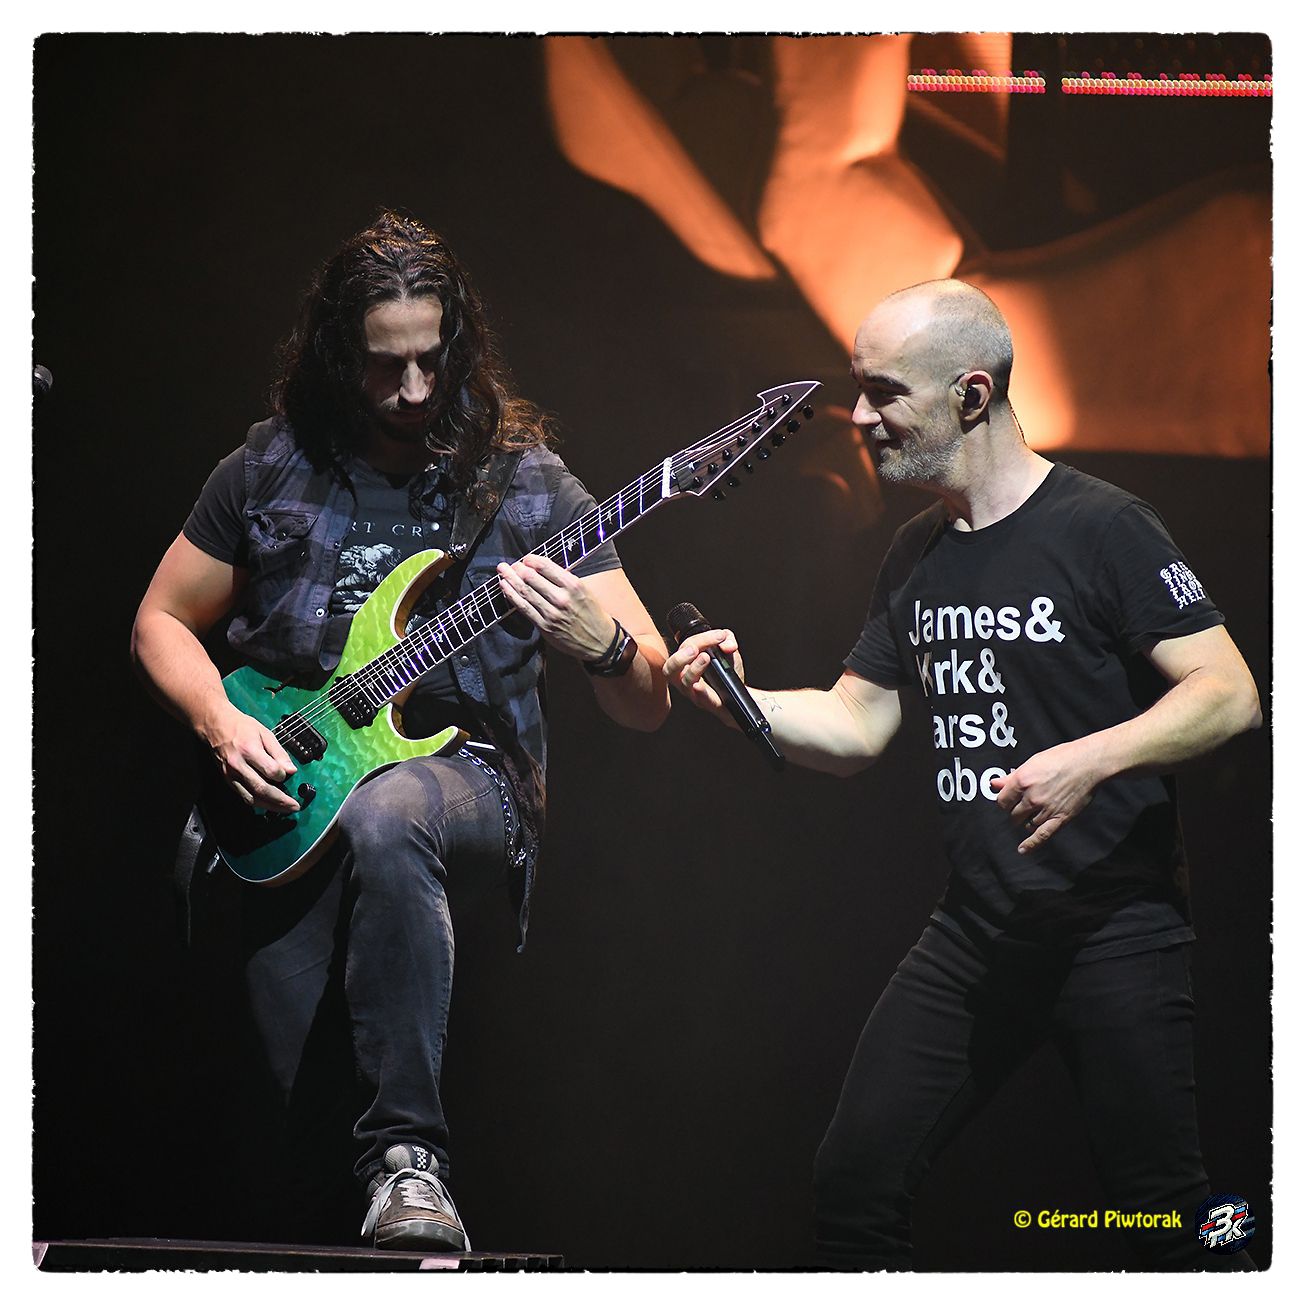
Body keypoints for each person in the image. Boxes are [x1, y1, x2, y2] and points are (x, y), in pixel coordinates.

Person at [664, 279, 1262, 1270]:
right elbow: (856, 724)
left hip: (1112, 926)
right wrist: (739, 699)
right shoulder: (916, 555)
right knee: (854, 1183)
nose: (859, 417)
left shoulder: (1104, 526)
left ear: (970, 395)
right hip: (979, 931)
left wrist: (1090, 758)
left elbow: (1231, 692)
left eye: (883, 392)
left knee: (1164, 1217)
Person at [131, 211, 670, 1252]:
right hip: (292, 789)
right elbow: (158, 620)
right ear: (339, 352)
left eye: (432, 359)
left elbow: (644, 696)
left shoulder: (525, 483)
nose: (416, 390)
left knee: (391, 809)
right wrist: (219, 722)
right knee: (288, 1138)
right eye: (387, 366)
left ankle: (410, 1161)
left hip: (463, 777)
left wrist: (603, 645)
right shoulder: (270, 466)